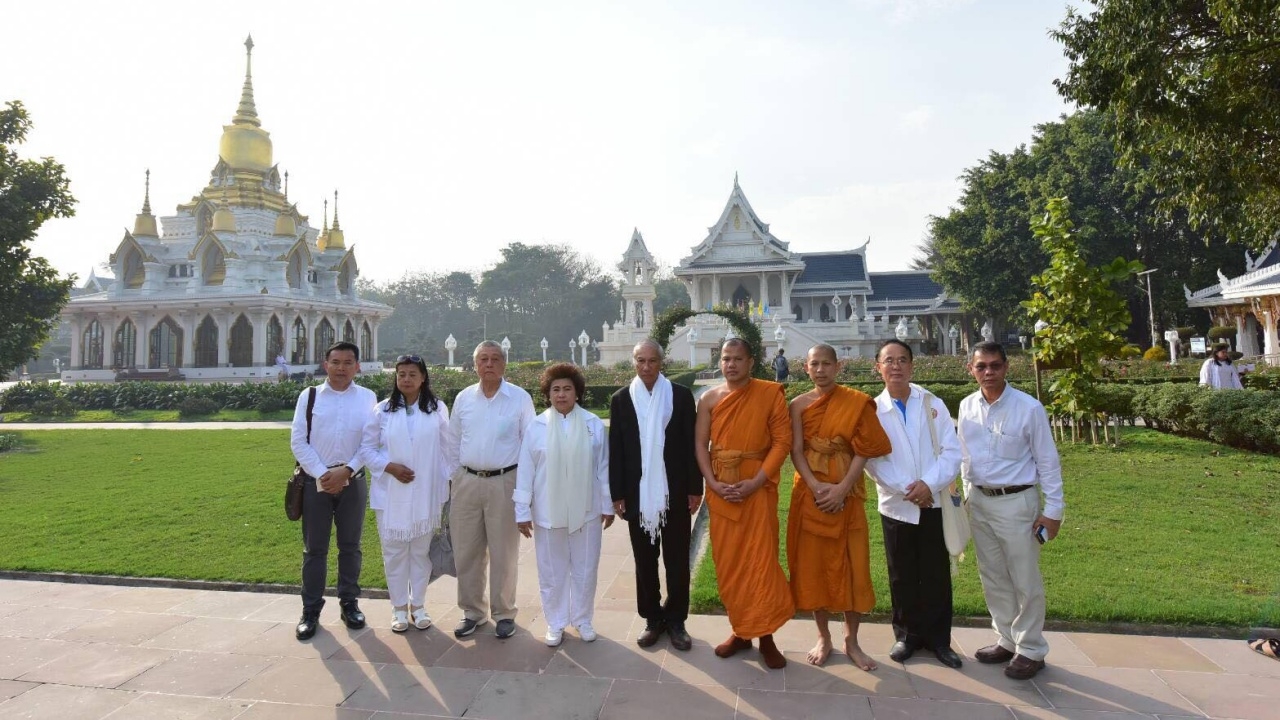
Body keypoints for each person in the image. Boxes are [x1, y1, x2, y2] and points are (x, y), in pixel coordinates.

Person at [958, 341, 1064, 680]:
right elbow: (963, 457)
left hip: (1018, 503)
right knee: (992, 576)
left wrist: (1054, 511)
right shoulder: (966, 406)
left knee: (1024, 578)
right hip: (980, 501)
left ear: (1007, 367)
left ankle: (1031, 648)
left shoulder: (1028, 408)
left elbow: (1048, 461)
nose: (988, 372)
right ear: (971, 370)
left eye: (994, 365)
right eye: (981, 366)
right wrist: (965, 497)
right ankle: (1006, 638)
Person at [787, 344, 892, 669]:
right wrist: (817, 486)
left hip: (847, 495)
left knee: (853, 567)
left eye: (826, 364)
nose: (821, 370)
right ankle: (823, 637)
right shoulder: (797, 405)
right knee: (813, 568)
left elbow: (865, 447)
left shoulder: (857, 402)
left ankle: (851, 640)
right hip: (811, 495)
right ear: (806, 368)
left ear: (838, 366)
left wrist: (843, 488)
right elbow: (797, 450)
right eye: (814, 364)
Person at [695, 338, 795, 669]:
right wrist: (712, 482)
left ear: (751, 362)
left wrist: (757, 481)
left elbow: (782, 442)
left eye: (738, 358)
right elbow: (700, 445)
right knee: (730, 565)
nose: (731, 364)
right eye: (726, 358)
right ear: (719, 361)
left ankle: (766, 636)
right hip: (722, 487)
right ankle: (740, 631)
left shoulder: (769, 394)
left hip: (757, 486)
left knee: (761, 562)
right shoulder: (710, 399)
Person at [864, 339, 964, 669]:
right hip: (897, 505)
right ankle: (906, 636)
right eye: (888, 361)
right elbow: (872, 460)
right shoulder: (872, 410)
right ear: (877, 367)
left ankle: (939, 640)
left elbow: (951, 451)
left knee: (935, 574)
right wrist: (909, 489)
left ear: (912, 365)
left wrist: (929, 485)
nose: (896, 366)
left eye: (902, 360)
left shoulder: (932, 404)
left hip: (932, 502)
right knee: (902, 574)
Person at [609, 340, 700, 651]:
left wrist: (694, 488)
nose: (646, 366)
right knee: (644, 560)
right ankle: (652, 618)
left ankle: (676, 620)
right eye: (640, 360)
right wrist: (618, 493)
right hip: (637, 494)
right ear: (633, 362)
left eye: (651, 361)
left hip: (674, 490)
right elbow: (617, 449)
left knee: (677, 560)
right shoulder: (622, 399)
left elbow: (691, 444)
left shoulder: (680, 396)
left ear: (662, 362)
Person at [515, 363, 615, 647]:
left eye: (567, 389)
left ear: (577, 393)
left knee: (585, 569)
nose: (561, 395)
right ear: (548, 394)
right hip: (547, 512)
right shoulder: (537, 426)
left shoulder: (592, 424)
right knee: (551, 571)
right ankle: (555, 622)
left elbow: (602, 468)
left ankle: (583, 619)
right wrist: (522, 511)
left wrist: (606, 505)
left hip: (587, 510)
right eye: (555, 389)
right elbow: (526, 471)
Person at [361, 354, 457, 633]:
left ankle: (419, 606)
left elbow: (448, 448)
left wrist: (449, 480)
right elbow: (367, 449)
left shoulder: (436, 409)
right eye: (401, 374)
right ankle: (398, 608)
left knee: (420, 552)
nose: (406, 379)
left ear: (423, 377)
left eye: (412, 374)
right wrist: (389, 466)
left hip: (426, 493)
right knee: (393, 553)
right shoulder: (383, 410)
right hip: (391, 492)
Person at [290, 341, 377, 641]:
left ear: (357, 366)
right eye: (336, 362)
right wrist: (325, 474)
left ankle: (349, 603)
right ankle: (310, 610)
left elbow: (371, 443)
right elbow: (298, 441)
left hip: (354, 480)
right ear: (325, 364)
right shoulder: (310, 396)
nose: (341, 368)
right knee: (315, 549)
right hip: (318, 481)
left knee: (350, 546)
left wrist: (348, 471)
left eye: (348, 362)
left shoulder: (368, 398)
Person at [448, 340, 536, 639]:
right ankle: (472, 611)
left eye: (495, 359)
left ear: (504, 364)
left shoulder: (519, 399)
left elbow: (530, 445)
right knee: (467, 551)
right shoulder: (463, 399)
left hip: (505, 482)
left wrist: (525, 492)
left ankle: (504, 613)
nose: (488, 364)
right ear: (474, 365)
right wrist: (454, 480)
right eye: (483, 359)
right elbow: (452, 442)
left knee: (504, 552)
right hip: (467, 482)